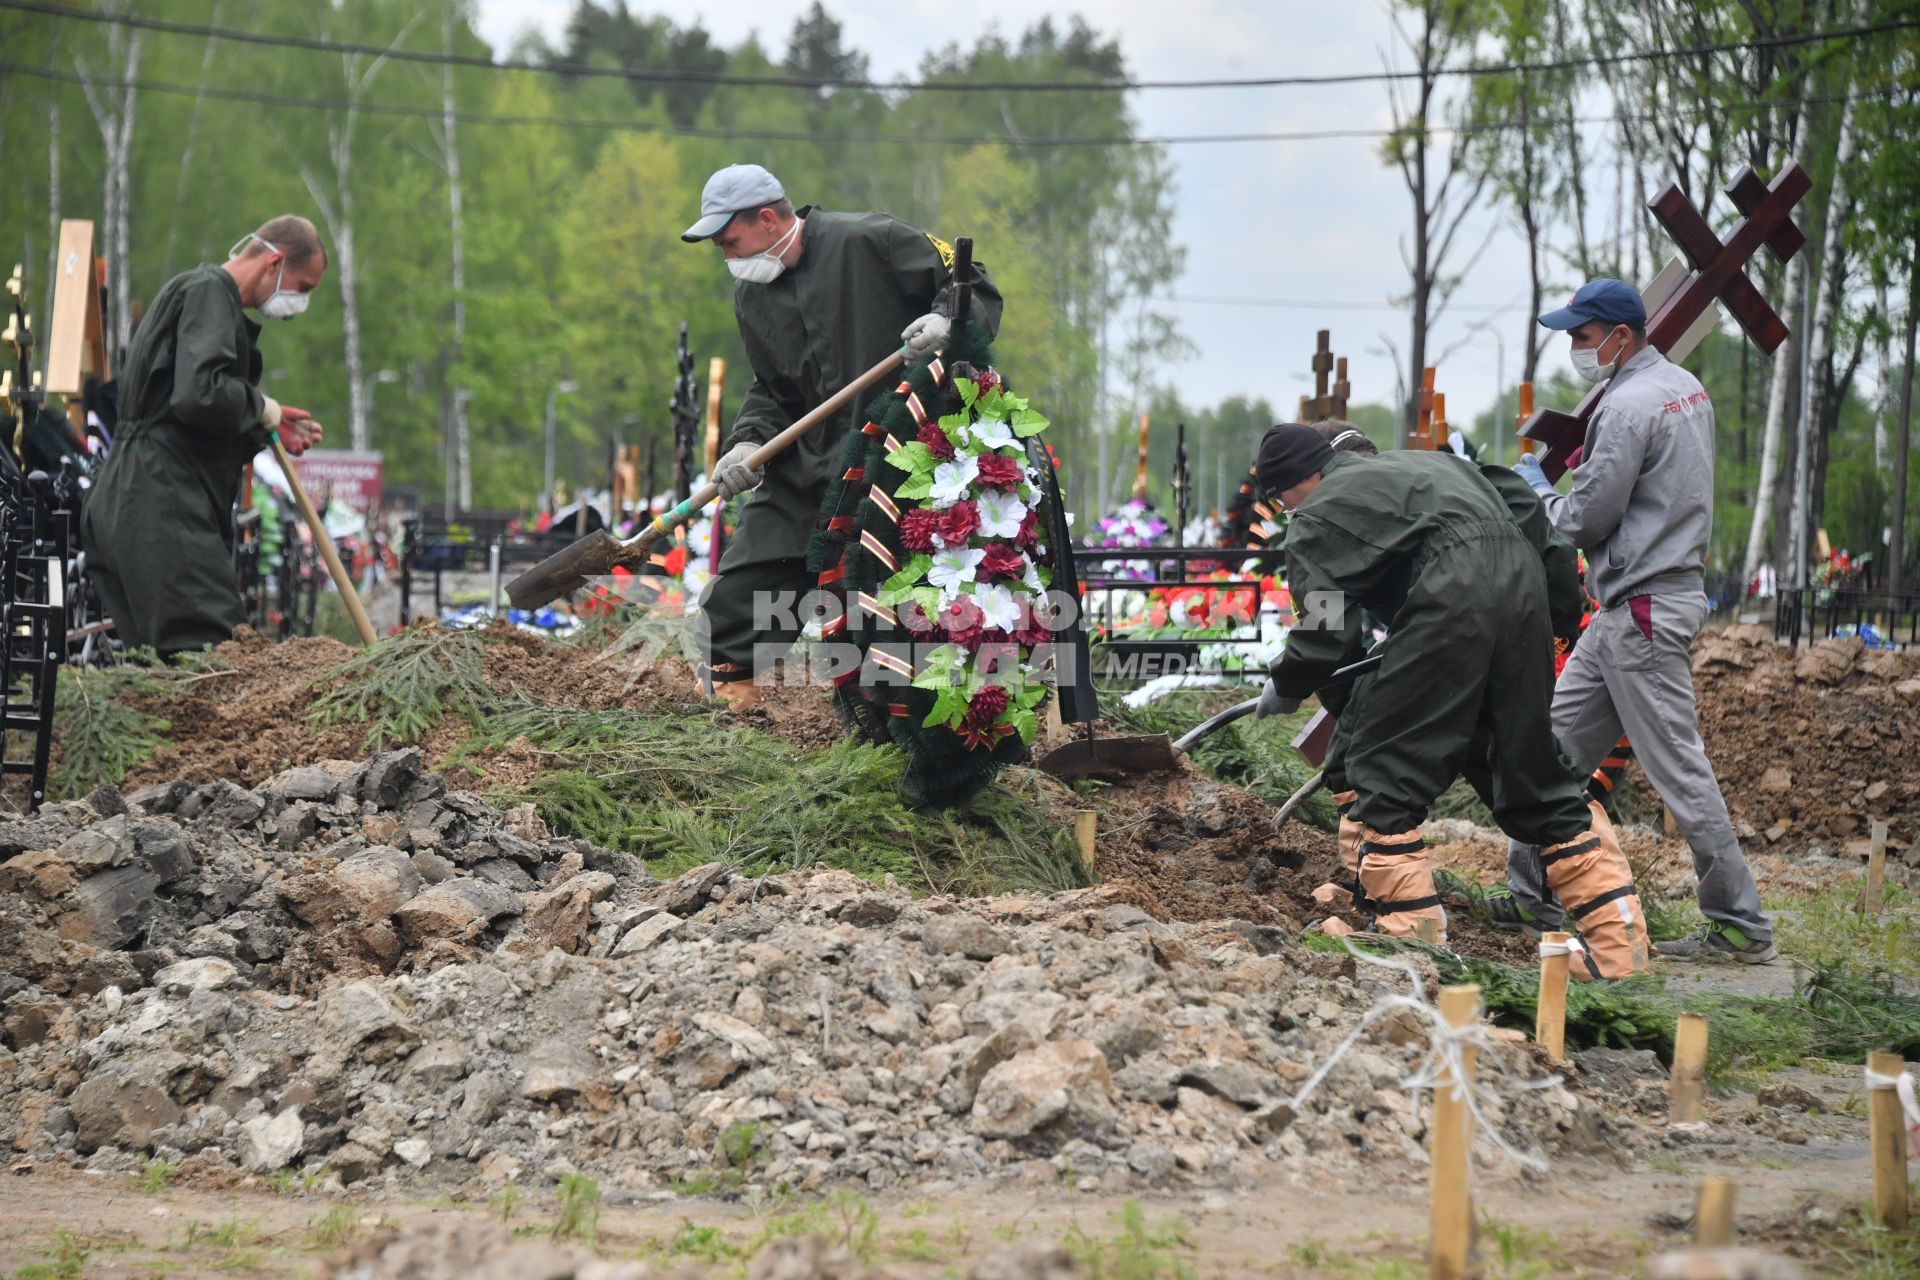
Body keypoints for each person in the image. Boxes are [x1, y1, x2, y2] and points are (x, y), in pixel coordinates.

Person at [1255, 424, 1647, 978]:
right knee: (1535, 775)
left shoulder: (1317, 515)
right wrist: (1552, 627)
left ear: (1302, 480)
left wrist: (1288, 681)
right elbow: (1549, 541)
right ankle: (1619, 953)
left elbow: (1327, 634)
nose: (1285, 511)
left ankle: (1411, 946)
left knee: (1386, 774)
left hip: (1451, 605)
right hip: (1523, 598)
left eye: (1280, 499)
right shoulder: (1443, 467)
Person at [1512, 279, 1775, 964]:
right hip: (1633, 605)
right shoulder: (1683, 386)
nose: (1574, 348)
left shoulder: (1626, 407)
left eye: (1581, 335)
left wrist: (1539, 493)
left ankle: (1740, 926)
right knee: (1554, 746)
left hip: (1643, 607)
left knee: (1681, 773)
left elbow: (1587, 517)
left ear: (1619, 336)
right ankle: (1529, 895)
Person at [681, 163, 1002, 708]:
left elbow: (968, 280)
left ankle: (914, 710)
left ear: (765, 219)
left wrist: (947, 320)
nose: (727, 256)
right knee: (736, 595)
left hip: (901, 458)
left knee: (889, 606)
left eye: (729, 241)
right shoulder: (752, 297)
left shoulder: (869, 239)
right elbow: (773, 389)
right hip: (812, 465)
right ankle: (731, 700)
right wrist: (747, 442)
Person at [82, 217, 327, 660]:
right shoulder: (211, 290)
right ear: (274, 261)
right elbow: (198, 394)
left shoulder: (194, 291)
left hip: (139, 498)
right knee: (211, 658)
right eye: (303, 287)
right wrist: (260, 407)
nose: (300, 302)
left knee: (170, 671)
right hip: (160, 503)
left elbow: (182, 412)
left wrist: (259, 422)